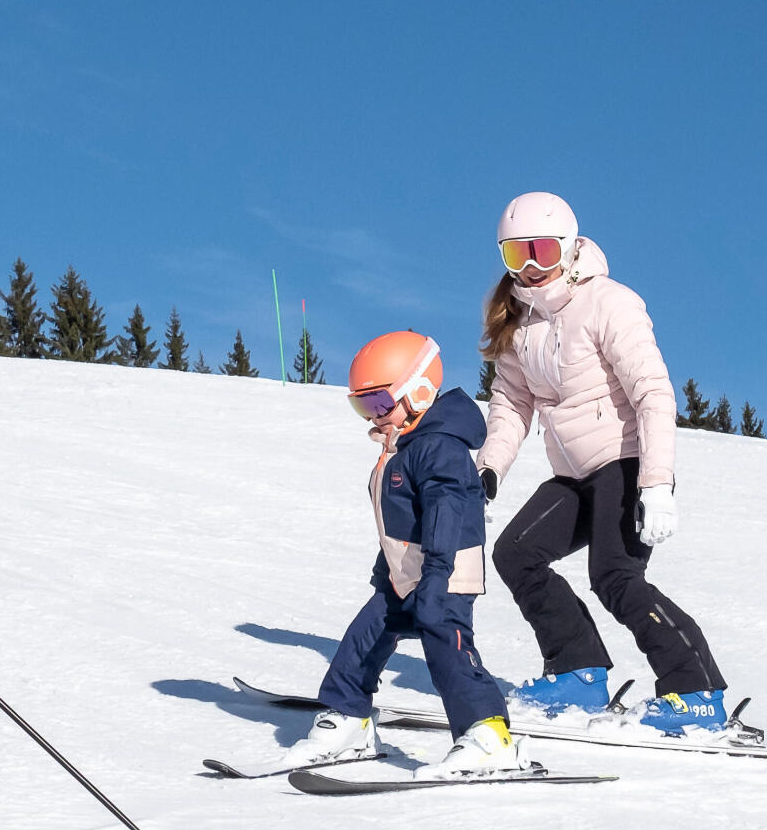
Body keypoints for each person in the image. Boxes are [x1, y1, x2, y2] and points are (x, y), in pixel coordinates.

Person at [476, 191, 727, 735]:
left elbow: (654, 393)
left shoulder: (609, 303)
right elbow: (511, 404)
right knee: (516, 555)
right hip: (574, 475)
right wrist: (489, 467)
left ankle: (697, 692)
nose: (533, 267)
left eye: (543, 251)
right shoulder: (517, 323)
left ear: (569, 249)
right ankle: (576, 673)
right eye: (517, 256)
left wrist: (656, 484)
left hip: (626, 463)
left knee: (615, 575)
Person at [280, 331, 523, 779]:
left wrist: (436, 575)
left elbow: (445, 515)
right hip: (404, 577)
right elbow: (396, 524)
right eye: (363, 407)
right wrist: (384, 571)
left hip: (444, 575)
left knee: (447, 648)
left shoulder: (439, 448)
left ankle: (490, 736)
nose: (372, 417)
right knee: (362, 640)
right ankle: (349, 720)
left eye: (379, 404)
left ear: (421, 392)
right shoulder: (403, 449)